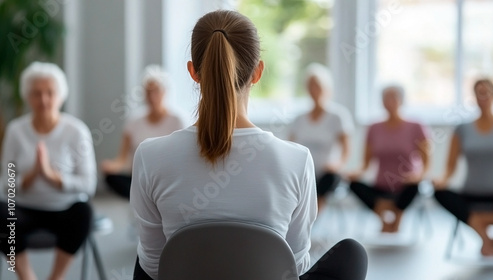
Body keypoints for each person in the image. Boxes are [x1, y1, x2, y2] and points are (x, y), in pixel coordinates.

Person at [131, 10, 367, 280]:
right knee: (352, 253)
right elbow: (295, 265)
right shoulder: (297, 160)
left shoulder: (150, 156)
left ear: (193, 72)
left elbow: (153, 266)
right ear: (257, 73)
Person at [0, 62, 96, 280]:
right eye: (36, 93)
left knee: (84, 212)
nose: (43, 100)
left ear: (60, 96)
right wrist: (32, 175)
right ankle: (27, 277)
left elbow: (88, 184)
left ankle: (55, 277)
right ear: (27, 96)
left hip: (64, 209)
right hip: (24, 209)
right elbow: (6, 184)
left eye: (50, 93)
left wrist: (54, 178)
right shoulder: (16, 130)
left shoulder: (76, 131)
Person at [348, 85, 430, 233]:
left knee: (414, 185)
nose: (390, 101)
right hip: (380, 187)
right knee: (353, 184)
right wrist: (355, 172)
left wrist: (419, 175)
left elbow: (426, 161)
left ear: (402, 100)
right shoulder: (374, 128)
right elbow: (366, 163)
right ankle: (384, 219)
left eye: (394, 97)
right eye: (386, 98)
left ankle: (397, 217)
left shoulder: (416, 126)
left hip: (406, 187)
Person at [433, 79, 493, 257]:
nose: (482, 97)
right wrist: (442, 179)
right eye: (478, 93)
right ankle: (486, 237)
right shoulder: (462, 129)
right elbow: (450, 166)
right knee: (439, 192)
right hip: (470, 194)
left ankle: (488, 232)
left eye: (486, 92)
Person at [101, 65, 184, 199]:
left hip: (166, 177)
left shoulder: (177, 121)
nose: (151, 97)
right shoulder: (133, 121)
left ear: (164, 92)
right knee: (111, 178)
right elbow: (122, 158)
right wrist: (111, 166)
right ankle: (144, 198)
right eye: (148, 92)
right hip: (138, 177)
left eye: (156, 91)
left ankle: (147, 198)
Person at [290, 63, 354, 213]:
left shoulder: (338, 116)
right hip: (304, 172)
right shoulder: (299, 119)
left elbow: (346, 150)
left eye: (317, 85)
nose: (314, 90)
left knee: (329, 178)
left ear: (326, 88)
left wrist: (337, 164)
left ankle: (310, 218)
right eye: (310, 86)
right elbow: (290, 147)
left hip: (327, 173)